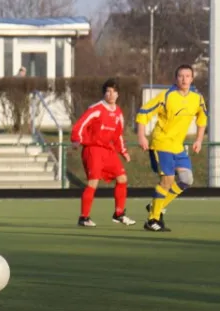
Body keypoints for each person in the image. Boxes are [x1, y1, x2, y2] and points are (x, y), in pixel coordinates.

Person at [136, 64, 207, 232]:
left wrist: (199, 140)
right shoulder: (166, 96)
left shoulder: (197, 98)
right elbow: (143, 112)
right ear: (176, 79)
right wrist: (141, 136)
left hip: (178, 146)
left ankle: (156, 205)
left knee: (186, 179)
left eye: (187, 76)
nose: (184, 79)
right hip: (161, 142)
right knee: (167, 181)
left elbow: (202, 119)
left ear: (192, 78)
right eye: (181, 76)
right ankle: (152, 219)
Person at [70, 78, 136, 227]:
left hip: (108, 151)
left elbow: (118, 135)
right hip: (93, 149)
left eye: (113, 92)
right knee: (93, 182)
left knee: (122, 179)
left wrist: (123, 151)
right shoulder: (96, 109)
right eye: (108, 91)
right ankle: (84, 217)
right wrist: (77, 139)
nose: (110, 94)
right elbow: (80, 125)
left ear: (118, 94)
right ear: (104, 93)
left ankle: (119, 214)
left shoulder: (118, 113)